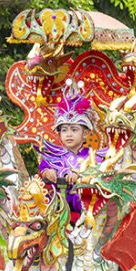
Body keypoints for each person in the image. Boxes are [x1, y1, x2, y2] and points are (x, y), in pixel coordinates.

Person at [38, 79, 103, 223]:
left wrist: (79, 175)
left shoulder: (92, 156)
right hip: (55, 208)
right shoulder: (53, 155)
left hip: (82, 209)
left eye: (74, 130)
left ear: (85, 133)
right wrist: (48, 173)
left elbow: (97, 172)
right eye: (64, 130)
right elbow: (43, 167)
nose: (68, 134)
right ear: (59, 133)